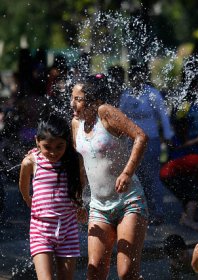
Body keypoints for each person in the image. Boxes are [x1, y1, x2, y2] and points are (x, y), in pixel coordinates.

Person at [70, 73, 149, 279]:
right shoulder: (76, 124)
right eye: (72, 98)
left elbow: (141, 136)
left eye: (78, 99)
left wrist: (127, 172)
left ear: (94, 100)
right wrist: (78, 199)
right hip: (98, 206)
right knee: (94, 272)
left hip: (129, 202)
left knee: (126, 273)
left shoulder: (105, 113)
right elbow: (80, 166)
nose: (73, 104)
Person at [18, 113, 86, 280]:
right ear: (37, 142)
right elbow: (23, 184)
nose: (53, 153)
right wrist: (28, 199)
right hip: (41, 230)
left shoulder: (74, 160)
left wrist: (79, 204)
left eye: (59, 146)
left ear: (66, 143)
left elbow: (80, 184)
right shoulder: (31, 161)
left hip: (68, 229)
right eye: (47, 147)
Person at [119, 61, 174, 225]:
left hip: (151, 141)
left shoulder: (152, 93)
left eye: (140, 75)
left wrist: (169, 135)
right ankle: (136, 212)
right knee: (134, 177)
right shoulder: (126, 95)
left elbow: (163, 116)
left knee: (152, 177)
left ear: (145, 77)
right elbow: (120, 117)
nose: (137, 79)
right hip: (131, 142)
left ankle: (158, 212)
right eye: (134, 76)